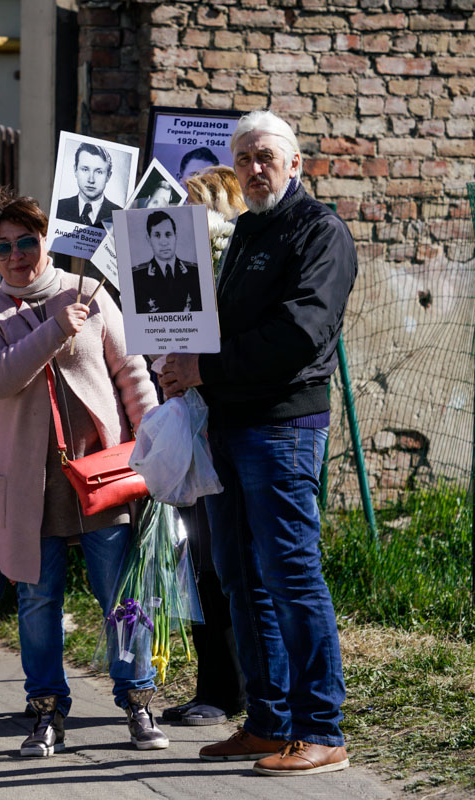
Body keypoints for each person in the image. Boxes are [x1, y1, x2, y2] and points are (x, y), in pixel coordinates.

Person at [159, 109, 357, 776]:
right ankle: (269, 723)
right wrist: (176, 349)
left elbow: (300, 333)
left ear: (295, 163)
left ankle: (320, 729)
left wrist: (204, 368)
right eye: (242, 157)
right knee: (241, 579)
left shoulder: (318, 231)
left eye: (265, 155)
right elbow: (219, 323)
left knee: (291, 575)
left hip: (282, 427)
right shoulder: (245, 230)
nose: (252, 168)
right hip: (227, 424)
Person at [0, 188, 164, 757]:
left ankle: (138, 700)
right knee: (37, 602)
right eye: (2, 247)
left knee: (120, 596)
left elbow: (132, 376)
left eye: (27, 241)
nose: (16, 255)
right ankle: (47, 712)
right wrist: (54, 328)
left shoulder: (88, 292)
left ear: (46, 240)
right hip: (29, 485)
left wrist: (153, 447)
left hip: (102, 476)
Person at [157, 165, 250, 728]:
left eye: (194, 207)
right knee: (197, 566)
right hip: (189, 426)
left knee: (223, 566)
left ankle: (231, 689)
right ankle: (211, 685)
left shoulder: (233, 268)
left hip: (229, 430)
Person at [131, 210, 204, 314]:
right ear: (149, 239)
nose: (164, 242)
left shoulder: (196, 273)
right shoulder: (136, 277)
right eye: (157, 235)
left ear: (176, 236)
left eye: (168, 234)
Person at [55, 142, 122, 229]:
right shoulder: (59, 207)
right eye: (85, 169)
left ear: (108, 176)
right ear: (75, 170)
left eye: (99, 172)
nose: (91, 180)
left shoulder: (120, 215)